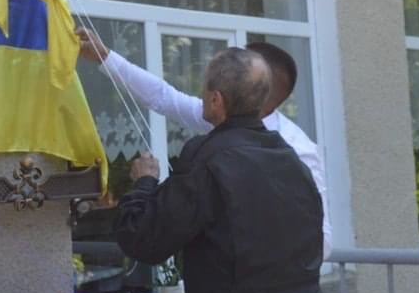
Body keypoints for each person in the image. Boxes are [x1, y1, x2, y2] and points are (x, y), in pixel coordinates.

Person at [114, 47, 330, 293]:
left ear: (216, 100)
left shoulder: (209, 159)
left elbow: (143, 238)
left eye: (204, 93)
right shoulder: (294, 157)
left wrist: (144, 183)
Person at [77, 28, 332, 258]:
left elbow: (324, 241)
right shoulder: (223, 116)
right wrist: (105, 57)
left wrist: (144, 183)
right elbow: (164, 97)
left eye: (235, 68)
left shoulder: (299, 151)